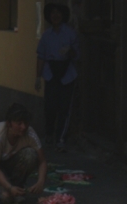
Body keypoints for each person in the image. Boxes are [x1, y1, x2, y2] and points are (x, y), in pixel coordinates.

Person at [35, 3, 79, 152]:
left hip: (67, 74)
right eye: (52, 13)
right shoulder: (46, 35)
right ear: (49, 16)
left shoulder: (70, 33)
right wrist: (38, 77)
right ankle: (48, 135)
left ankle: (61, 139)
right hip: (50, 73)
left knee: (64, 108)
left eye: (58, 13)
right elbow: (41, 57)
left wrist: (70, 51)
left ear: (63, 15)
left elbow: (77, 55)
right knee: (50, 107)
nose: (55, 15)